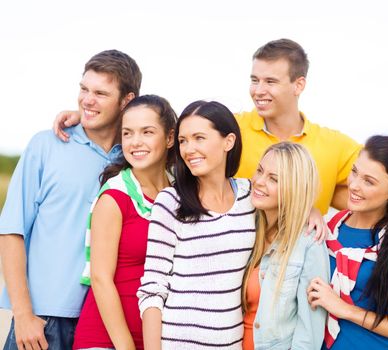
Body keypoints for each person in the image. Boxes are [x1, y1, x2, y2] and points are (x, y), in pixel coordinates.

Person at [53, 39, 361, 214]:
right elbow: (165, 128)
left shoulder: (333, 145)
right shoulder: (230, 130)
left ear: (299, 84)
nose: (258, 90)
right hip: (236, 280)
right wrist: (94, 116)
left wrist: (312, 211)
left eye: (271, 81)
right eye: (254, 80)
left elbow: (375, 187)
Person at [0, 50, 140, 350]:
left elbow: (168, 125)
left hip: (104, 321)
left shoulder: (134, 158)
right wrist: (23, 314)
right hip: (42, 320)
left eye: (101, 93)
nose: (87, 100)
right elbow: (12, 231)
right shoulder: (46, 144)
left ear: (126, 100)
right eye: (84, 89)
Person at [137, 101, 255, 349]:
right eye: (183, 141)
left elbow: (290, 202)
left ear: (228, 141)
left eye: (199, 138)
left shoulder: (250, 195)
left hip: (231, 343)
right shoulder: (170, 202)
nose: (189, 149)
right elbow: (152, 289)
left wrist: (312, 213)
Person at [307, 135, 388, 349]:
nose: (354, 185)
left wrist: (345, 309)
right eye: (354, 172)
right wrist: (310, 211)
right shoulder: (330, 228)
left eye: (369, 181)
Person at [72, 95, 177, 349]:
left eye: (147, 132)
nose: (135, 142)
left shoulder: (179, 194)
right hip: (108, 339)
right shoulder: (115, 196)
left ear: (170, 138)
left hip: (160, 338)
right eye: (128, 133)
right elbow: (100, 278)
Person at [241, 142, 329, 349]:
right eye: (260, 171)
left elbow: (310, 330)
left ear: (294, 188)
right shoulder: (244, 223)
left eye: (274, 179)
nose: (259, 182)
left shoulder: (309, 242)